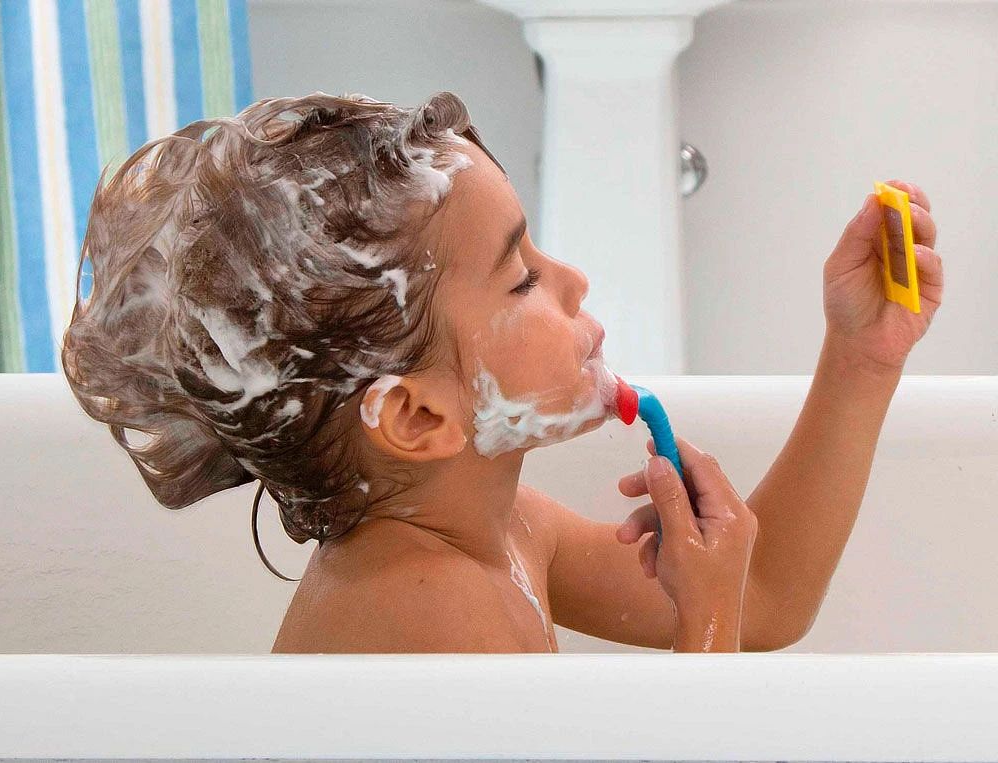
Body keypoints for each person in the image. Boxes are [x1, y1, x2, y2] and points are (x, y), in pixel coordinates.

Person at [61, 91, 944, 654]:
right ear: (417, 417)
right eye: (521, 275)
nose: (572, 280)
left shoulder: (504, 529)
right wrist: (704, 624)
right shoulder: (421, 614)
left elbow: (771, 597)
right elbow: (736, 623)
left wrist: (861, 357)